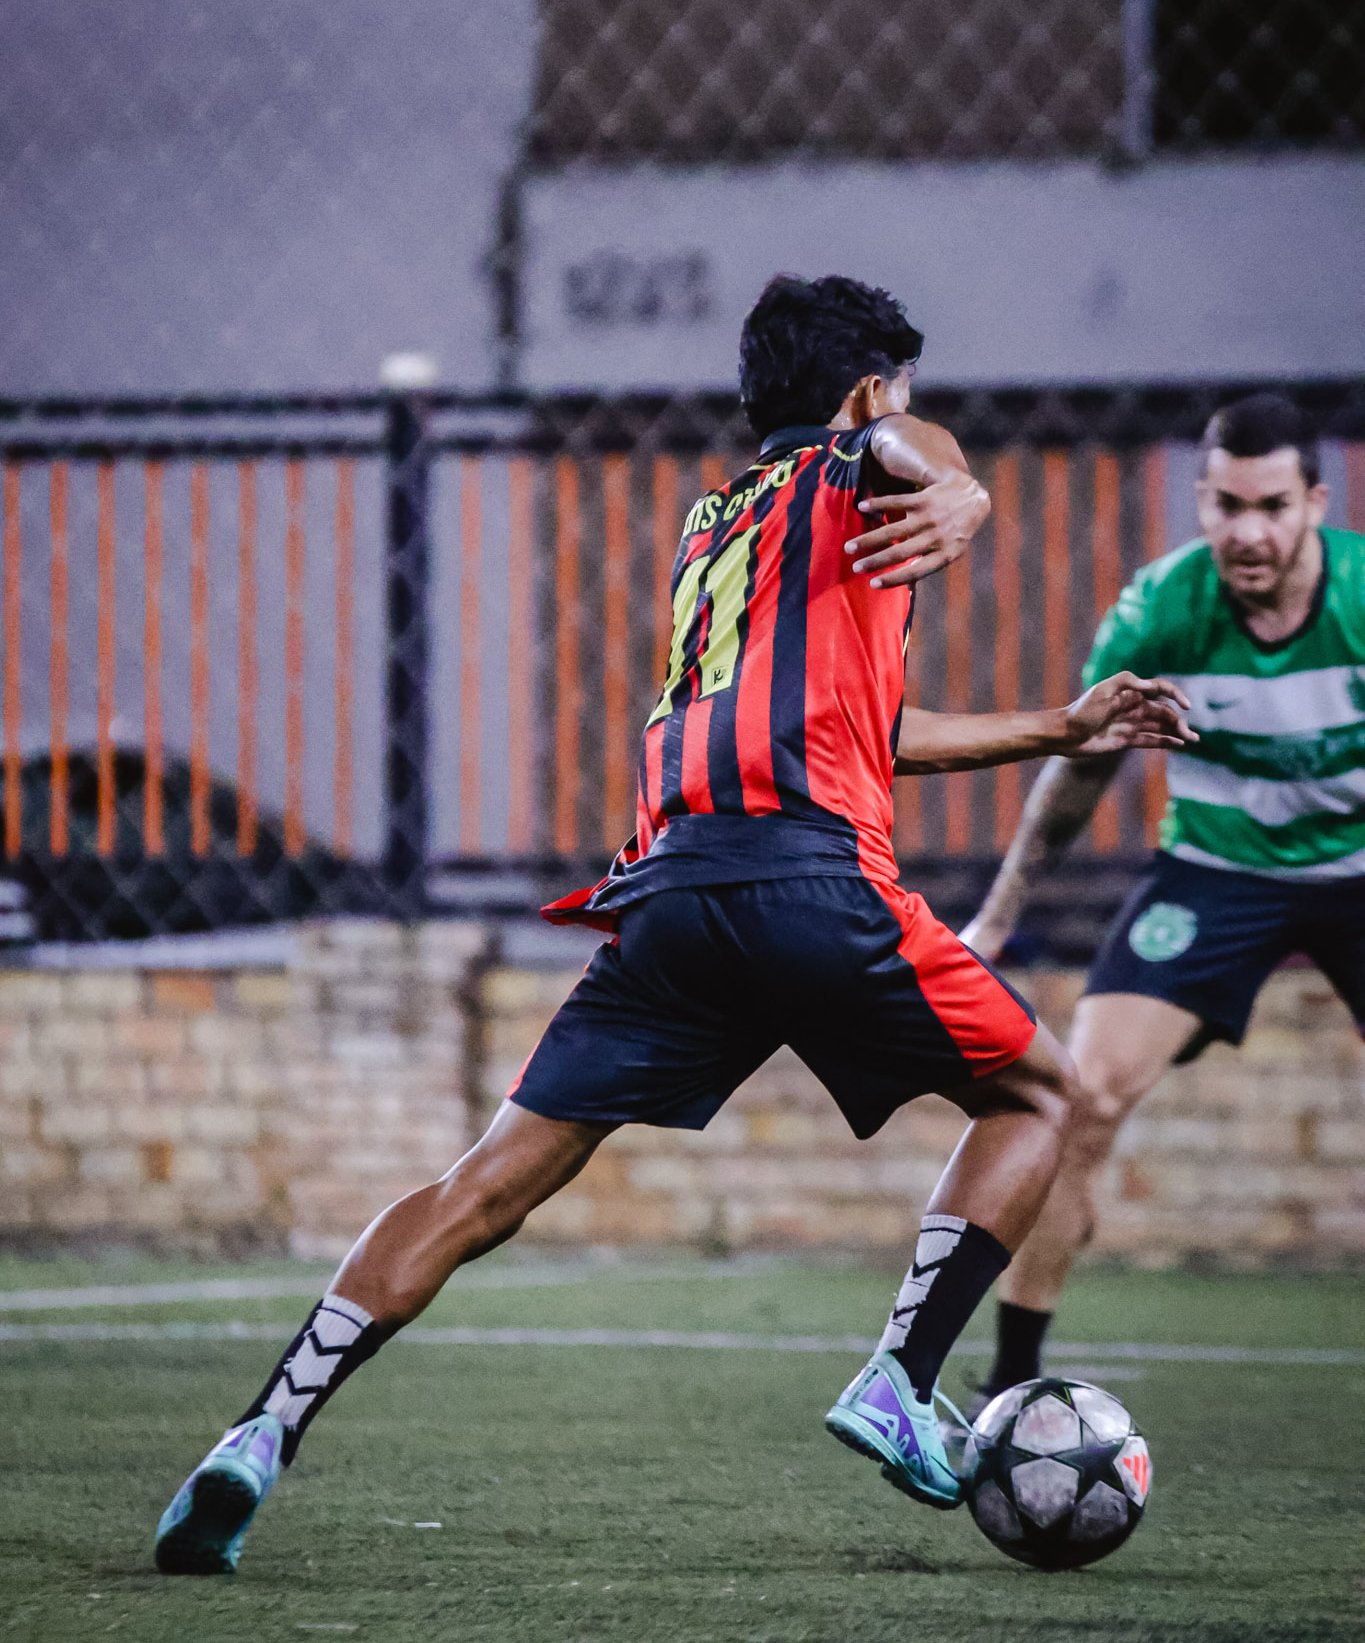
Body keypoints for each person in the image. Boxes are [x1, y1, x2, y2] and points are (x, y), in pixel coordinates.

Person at [153, 274, 1189, 1574]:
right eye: (899, 396)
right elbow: (902, 447)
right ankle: (901, 1376)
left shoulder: (718, 524)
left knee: (480, 1186)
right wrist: (960, 486)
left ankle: (259, 1432)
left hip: (670, 900)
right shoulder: (865, 464)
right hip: (813, 883)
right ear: (870, 391)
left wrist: (1058, 725)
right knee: (1040, 1094)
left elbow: (863, 726)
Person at [961, 390, 1365, 1404]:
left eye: (1272, 506)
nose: (1249, 532)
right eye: (1227, 505)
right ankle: (1014, 1386)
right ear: (1201, 502)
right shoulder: (1159, 611)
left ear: (1316, 503)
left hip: (1357, 867)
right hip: (1214, 870)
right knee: (1081, 1096)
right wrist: (998, 917)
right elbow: (1079, 774)